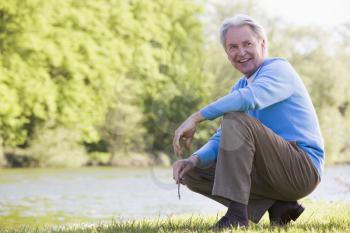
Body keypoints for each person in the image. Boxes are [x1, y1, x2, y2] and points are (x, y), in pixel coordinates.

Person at [172, 14, 324, 229]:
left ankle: (237, 215)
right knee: (192, 174)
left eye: (247, 44)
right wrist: (193, 160)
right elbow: (222, 137)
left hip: (303, 169)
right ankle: (279, 205)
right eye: (233, 47)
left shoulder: (279, 70)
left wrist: (196, 117)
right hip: (272, 173)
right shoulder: (240, 87)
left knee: (235, 118)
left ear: (263, 44)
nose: (241, 52)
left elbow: (251, 99)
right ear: (227, 53)